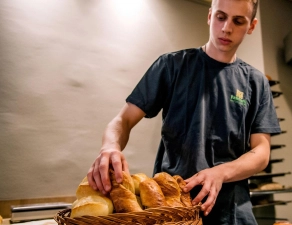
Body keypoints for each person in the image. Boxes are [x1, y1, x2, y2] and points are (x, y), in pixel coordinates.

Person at [87, 0, 281, 224]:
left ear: (251, 26)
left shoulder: (255, 82)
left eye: (238, 21)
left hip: (232, 211)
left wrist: (221, 173)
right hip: (173, 208)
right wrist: (110, 146)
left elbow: (262, 151)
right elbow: (124, 119)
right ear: (210, 16)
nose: (227, 27)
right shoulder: (171, 66)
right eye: (221, 17)